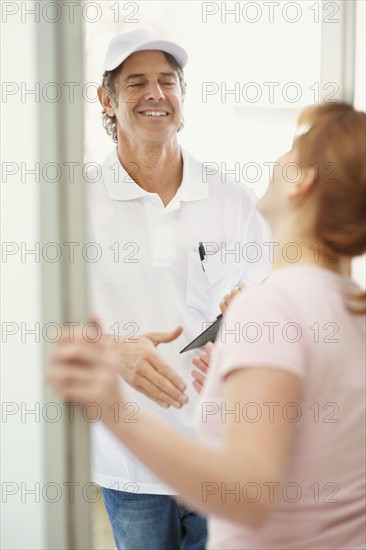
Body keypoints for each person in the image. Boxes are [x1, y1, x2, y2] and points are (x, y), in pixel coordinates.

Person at [48, 101, 366, 549]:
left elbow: (249, 494)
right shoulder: (351, 306)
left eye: (292, 150)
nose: (277, 161)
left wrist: (111, 408)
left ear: (303, 180)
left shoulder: (271, 307)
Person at [85, 29, 269, 549]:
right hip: (131, 462)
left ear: (182, 97)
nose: (156, 94)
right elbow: (38, 325)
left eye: (168, 82)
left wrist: (250, 309)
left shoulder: (233, 199)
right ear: (107, 100)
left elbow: (270, 299)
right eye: (137, 82)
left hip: (220, 451)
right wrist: (113, 351)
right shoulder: (73, 206)